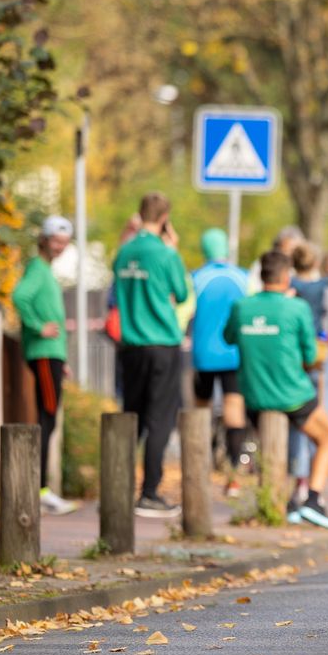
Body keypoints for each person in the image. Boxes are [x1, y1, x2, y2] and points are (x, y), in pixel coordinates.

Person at [225, 251, 328, 530]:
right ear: (286, 276)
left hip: (253, 394)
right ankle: (312, 499)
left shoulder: (242, 306)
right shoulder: (296, 308)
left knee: (276, 448)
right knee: (327, 438)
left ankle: (282, 503)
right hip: (292, 394)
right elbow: (311, 354)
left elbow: (228, 337)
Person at [111, 193, 191, 517]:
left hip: (130, 345)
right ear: (165, 218)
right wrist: (172, 249)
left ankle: (118, 488)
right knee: (161, 418)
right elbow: (182, 293)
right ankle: (149, 492)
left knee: (133, 416)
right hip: (161, 345)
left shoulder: (124, 251)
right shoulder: (165, 253)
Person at [12, 215, 79, 516]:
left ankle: (42, 489)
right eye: (56, 241)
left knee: (49, 417)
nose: (61, 247)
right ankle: (40, 489)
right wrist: (39, 328)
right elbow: (20, 296)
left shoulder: (45, 270)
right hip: (43, 352)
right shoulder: (38, 269)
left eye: (65, 243)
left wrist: (60, 359)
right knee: (47, 417)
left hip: (51, 354)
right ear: (44, 239)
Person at [290, 243, 328, 485]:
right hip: (318, 357)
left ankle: (297, 469)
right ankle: (316, 469)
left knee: (295, 413)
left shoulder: (288, 289)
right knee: (319, 415)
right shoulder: (327, 290)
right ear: (316, 263)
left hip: (292, 358)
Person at [190, 229, 250, 477]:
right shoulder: (242, 277)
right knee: (233, 405)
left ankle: (199, 460)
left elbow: (184, 311)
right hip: (234, 351)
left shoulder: (196, 277)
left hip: (203, 352)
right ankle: (234, 467)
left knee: (201, 406)